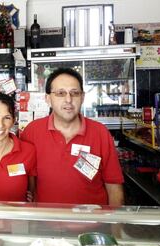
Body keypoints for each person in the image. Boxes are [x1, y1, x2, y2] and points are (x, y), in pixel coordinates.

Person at [20, 67, 124, 206]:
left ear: (82, 97)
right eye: (60, 93)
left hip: (94, 224)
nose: (68, 99)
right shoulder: (31, 132)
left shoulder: (100, 133)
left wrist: (114, 226)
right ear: (48, 99)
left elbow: (114, 188)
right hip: (44, 224)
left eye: (74, 93)